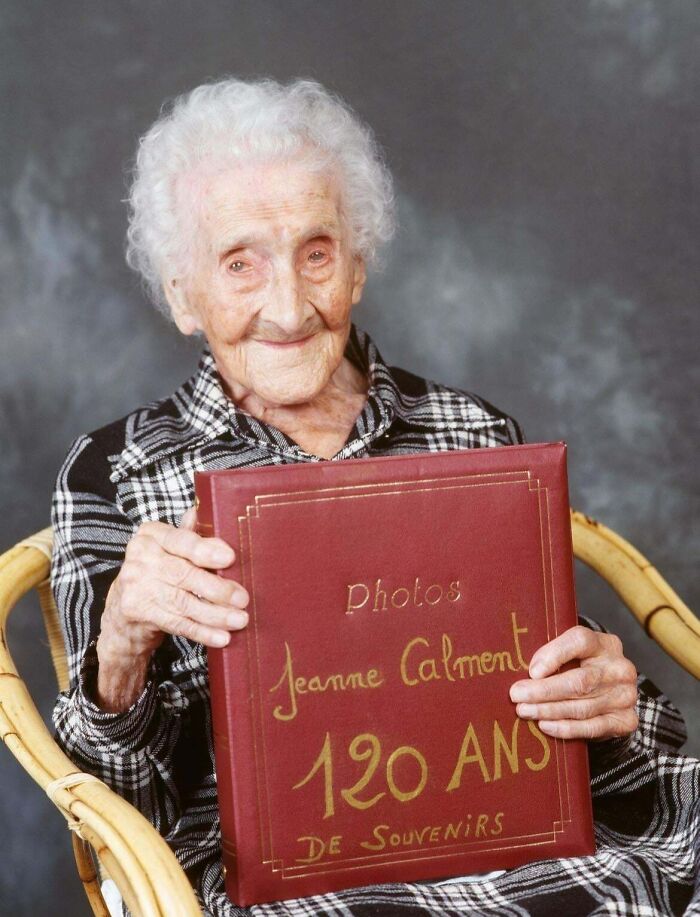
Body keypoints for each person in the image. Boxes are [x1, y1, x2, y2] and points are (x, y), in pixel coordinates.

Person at [51, 78, 698, 916]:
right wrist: (122, 645)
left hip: (510, 848)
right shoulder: (118, 471)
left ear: (356, 269)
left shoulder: (470, 431)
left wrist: (609, 698)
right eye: (239, 263)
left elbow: (594, 734)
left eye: (316, 253)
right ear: (183, 296)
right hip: (283, 881)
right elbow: (112, 808)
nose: (287, 306)